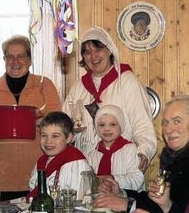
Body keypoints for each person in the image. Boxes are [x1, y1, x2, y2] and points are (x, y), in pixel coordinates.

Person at [0, 35, 62, 200]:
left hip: (39, 174)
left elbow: (58, 123)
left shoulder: (45, 85)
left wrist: (44, 124)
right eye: (10, 56)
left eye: (21, 56)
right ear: (4, 59)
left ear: (29, 59)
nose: (16, 61)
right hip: (0, 177)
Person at [95, 95, 189, 213]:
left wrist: (127, 204)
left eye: (177, 121)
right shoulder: (174, 158)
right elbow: (155, 199)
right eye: (165, 123)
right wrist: (122, 193)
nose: (168, 130)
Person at [63, 26, 156, 173]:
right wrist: (73, 130)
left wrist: (145, 150)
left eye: (98, 50)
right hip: (87, 165)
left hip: (122, 164)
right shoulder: (78, 88)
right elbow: (63, 128)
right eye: (88, 52)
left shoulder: (127, 82)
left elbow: (142, 122)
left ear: (109, 50)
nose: (93, 57)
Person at [27, 112, 92, 200]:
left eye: (55, 136)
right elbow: (33, 188)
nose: (48, 141)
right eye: (44, 135)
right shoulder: (42, 161)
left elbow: (80, 198)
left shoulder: (76, 163)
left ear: (68, 138)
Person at [86, 105, 145, 191]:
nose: (107, 129)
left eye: (112, 124)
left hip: (124, 199)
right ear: (96, 129)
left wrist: (112, 179)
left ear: (121, 127)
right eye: (102, 125)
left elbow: (137, 179)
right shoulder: (92, 155)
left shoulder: (130, 149)